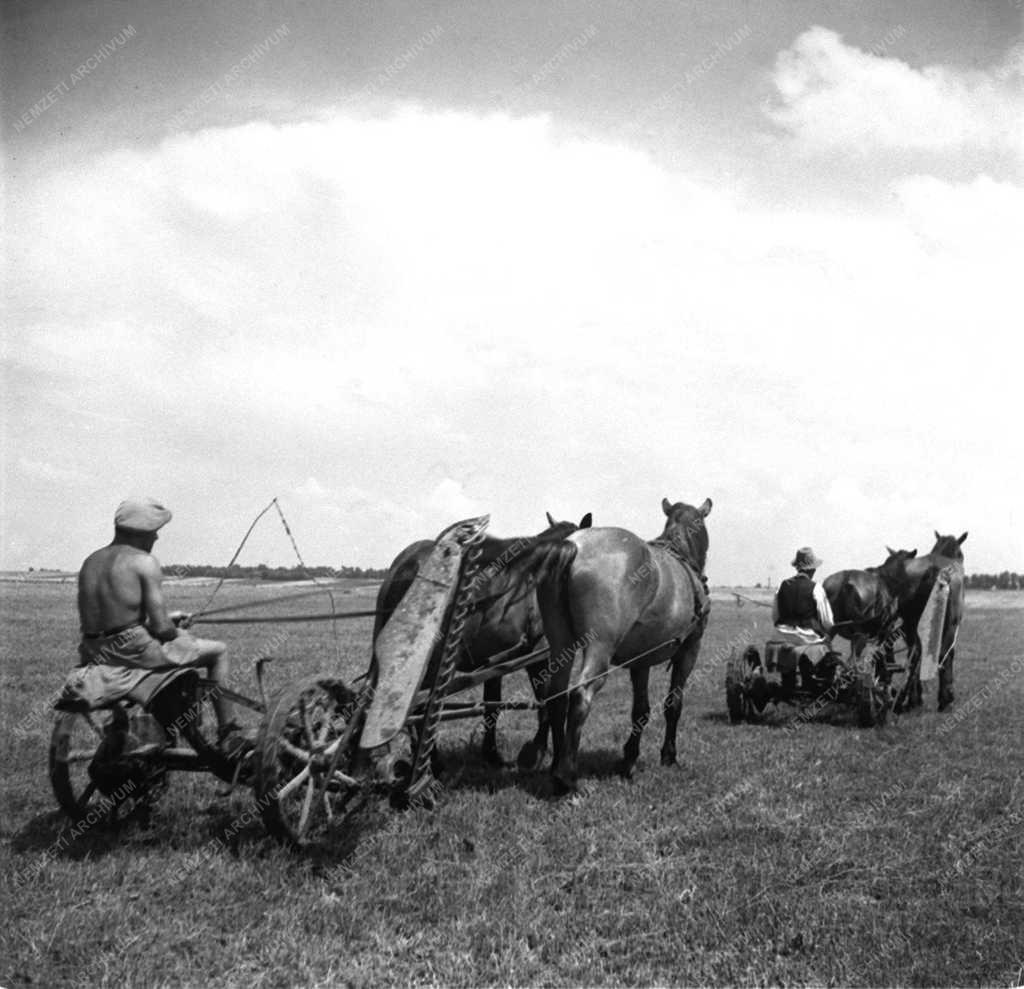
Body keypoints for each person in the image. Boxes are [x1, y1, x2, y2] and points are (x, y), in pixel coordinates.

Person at [63, 496, 242, 749]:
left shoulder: (91, 562)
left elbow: (115, 621)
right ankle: (229, 732)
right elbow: (161, 630)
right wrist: (174, 629)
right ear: (142, 532)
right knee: (218, 651)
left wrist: (164, 621)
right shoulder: (145, 563)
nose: (156, 538)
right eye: (155, 532)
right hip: (134, 652)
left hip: (94, 651)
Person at [772, 546, 836, 689]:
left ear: (796, 567)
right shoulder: (816, 588)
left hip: (784, 635)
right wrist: (824, 633)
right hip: (808, 636)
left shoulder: (782, 586)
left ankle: (787, 682)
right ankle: (821, 683)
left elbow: (775, 616)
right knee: (827, 646)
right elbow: (828, 621)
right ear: (812, 569)